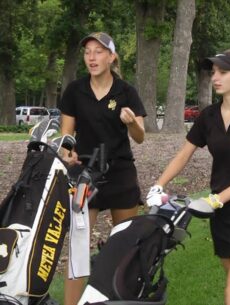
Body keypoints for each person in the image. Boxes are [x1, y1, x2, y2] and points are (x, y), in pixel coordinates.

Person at [147, 49, 230, 305]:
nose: (215, 77)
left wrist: (216, 200)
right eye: (214, 72)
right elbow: (184, 155)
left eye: (222, 72)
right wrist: (159, 184)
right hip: (223, 219)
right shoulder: (208, 116)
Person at [58, 32, 146, 305]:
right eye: (88, 52)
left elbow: (140, 135)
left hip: (119, 173)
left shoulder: (126, 91)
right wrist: (67, 153)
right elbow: (65, 139)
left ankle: (121, 296)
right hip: (85, 174)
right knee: (78, 247)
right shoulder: (75, 90)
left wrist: (131, 123)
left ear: (111, 57)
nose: (92, 58)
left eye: (98, 52)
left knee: (125, 245)